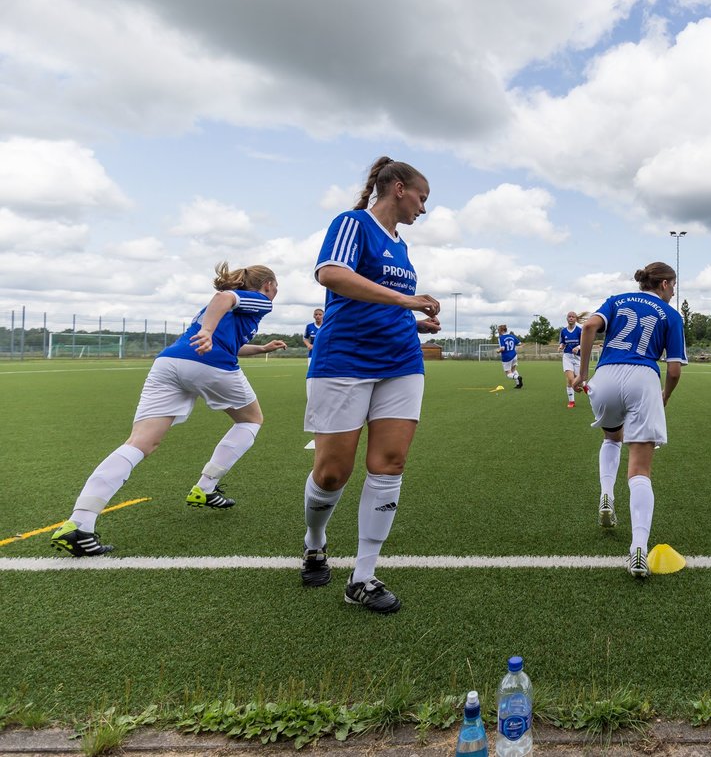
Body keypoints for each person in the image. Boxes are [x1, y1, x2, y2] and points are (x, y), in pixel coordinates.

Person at [50, 263, 286, 557]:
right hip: (209, 364)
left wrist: (261, 349)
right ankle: (206, 487)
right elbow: (223, 298)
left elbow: (230, 341)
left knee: (140, 442)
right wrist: (209, 332)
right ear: (268, 285)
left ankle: (79, 524)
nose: (276, 291)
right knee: (251, 420)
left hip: (170, 364)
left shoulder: (231, 312)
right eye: (276, 286)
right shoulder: (257, 300)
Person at [300, 156, 442, 615]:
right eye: (422, 197)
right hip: (344, 359)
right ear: (398, 188)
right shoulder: (353, 223)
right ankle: (315, 541)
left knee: (390, 463)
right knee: (331, 472)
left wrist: (415, 323)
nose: (424, 208)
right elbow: (331, 275)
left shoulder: (402, 248)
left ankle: (363, 575)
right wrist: (405, 298)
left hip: (401, 361)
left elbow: (384, 306)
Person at [573, 262, 686, 578]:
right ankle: (638, 548)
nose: (674, 291)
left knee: (611, 438)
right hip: (643, 379)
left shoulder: (617, 300)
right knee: (640, 470)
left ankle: (605, 495)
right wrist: (663, 396)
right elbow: (675, 370)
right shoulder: (671, 315)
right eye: (673, 285)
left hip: (605, 376)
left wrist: (582, 375)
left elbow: (588, 327)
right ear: (663, 284)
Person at [558, 311, 583, 408]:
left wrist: (578, 347)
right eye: (569, 317)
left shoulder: (580, 330)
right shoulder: (563, 331)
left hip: (578, 357)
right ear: (567, 318)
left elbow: (584, 343)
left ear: (576, 319)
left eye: (573, 317)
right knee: (570, 379)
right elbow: (562, 342)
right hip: (567, 356)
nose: (571, 318)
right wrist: (560, 346)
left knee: (579, 381)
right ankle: (571, 401)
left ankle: (583, 384)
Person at [497, 324, 523, 388]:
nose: (498, 331)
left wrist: (498, 351)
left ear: (502, 330)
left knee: (508, 373)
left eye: (498, 330)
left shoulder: (501, 337)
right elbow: (519, 343)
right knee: (513, 370)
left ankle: (517, 377)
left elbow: (502, 348)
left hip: (507, 357)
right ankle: (518, 384)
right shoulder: (512, 336)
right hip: (514, 355)